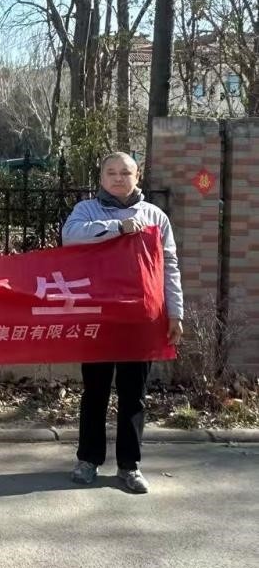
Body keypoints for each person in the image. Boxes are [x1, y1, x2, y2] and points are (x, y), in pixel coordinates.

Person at [63, 151, 183, 494]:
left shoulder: (155, 216)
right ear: (101, 177)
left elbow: (169, 266)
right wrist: (117, 227)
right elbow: (70, 235)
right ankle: (88, 460)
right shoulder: (86, 210)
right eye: (111, 172)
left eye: (125, 172)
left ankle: (129, 466)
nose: (118, 178)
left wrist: (176, 313)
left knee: (134, 395)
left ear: (137, 176)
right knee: (95, 391)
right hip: (98, 316)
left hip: (140, 320)